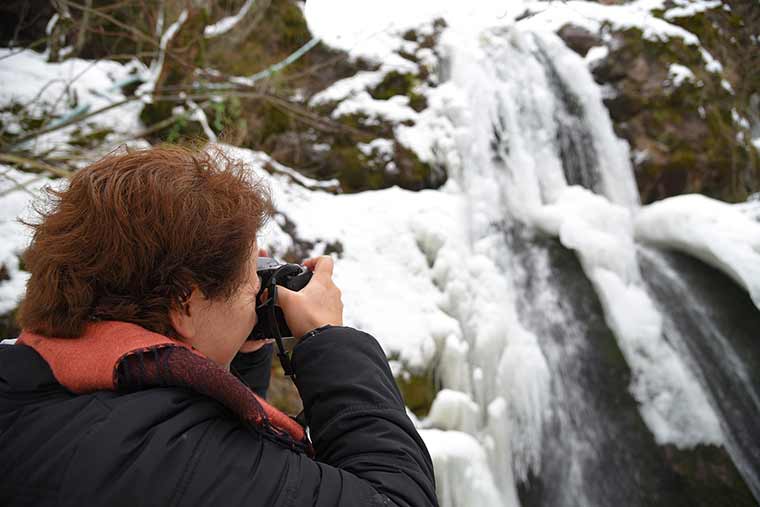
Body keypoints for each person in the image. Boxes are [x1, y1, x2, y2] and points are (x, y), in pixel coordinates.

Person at [0, 145, 438, 506]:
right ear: (185, 305)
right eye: (250, 284)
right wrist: (332, 341)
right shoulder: (172, 461)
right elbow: (397, 499)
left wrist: (241, 352)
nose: (258, 296)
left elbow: (225, 455)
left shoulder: (32, 387)